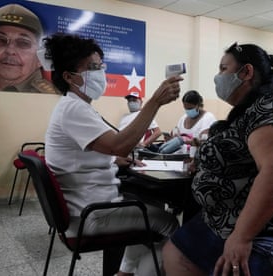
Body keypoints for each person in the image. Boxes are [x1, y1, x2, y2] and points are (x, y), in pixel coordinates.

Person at [162, 42, 273, 276]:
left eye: (223, 69)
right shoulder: (248, 110)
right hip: (229, 221)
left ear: (247, 72)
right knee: (177, 250)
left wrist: (242, 236)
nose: (218, 77)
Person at [42, 33, 182, 275]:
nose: (100, 72)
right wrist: (154, 102)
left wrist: (113, 158)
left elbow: (100, 150)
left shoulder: (76, 106)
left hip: (88, 207)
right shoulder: (74, 109)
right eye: (92, 67)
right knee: (168, 224)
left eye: (100, 66)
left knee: (149, 205)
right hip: (91, 214)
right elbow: (119, 144)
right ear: (68, 76)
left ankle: (125, 272)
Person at [0, 3, 58, 93]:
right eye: (0, 40)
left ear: (40, 58)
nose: (10, 51)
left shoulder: (51, 99)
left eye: (23, 43)